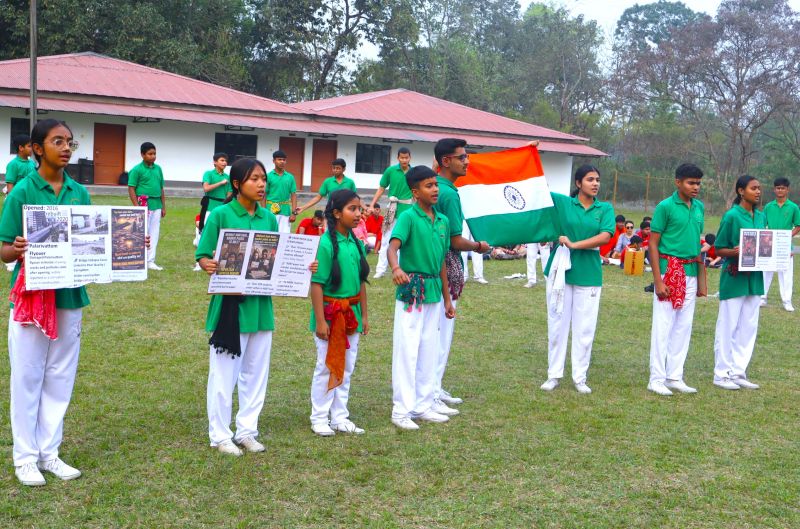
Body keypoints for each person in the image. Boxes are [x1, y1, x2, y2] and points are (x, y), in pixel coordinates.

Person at [196, 158, 305, 456]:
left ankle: (247, 430)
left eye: (263, 179)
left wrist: (302, 266)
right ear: (237, 184)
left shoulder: (269, 218)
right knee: (223, 375)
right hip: (230, 309)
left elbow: (278, 259)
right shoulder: (220, 215)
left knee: (256, 373)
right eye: (254, 179)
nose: (261, 184)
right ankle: (220, 435)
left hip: (260, 307)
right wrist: (206, 263)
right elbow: (202, 253)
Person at [1, 120, 89, 486]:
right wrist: (16, 248)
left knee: (60, 376)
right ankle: (25, 458)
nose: (67, 148)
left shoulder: (79, 192)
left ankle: (49, 452)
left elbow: (90, 241)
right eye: (58, 141)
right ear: (37, 149)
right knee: (27, 375)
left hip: (69, 294)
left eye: (70, 142)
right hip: (32, 297)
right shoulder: (22, 190)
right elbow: (4, 249)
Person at [388, 165, 455, 430]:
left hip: (434, 292)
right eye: (429, 186)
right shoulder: (408, 217)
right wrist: (396, 268)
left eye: (436, 184)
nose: (435, 189)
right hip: (412, 290)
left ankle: (423, 404)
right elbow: (393, 247)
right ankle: (401, 409)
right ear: (415, 192)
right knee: (407, 349)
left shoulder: (443, 220)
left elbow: (442, 263)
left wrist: (447, 299)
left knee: (429, 349)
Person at [540, 165, 614, 394]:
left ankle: (580, 377)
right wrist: (531, 157)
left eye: (597, 179)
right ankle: (553, 375)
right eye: (590, 179)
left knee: (584, 329)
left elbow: (605, 236)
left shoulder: (605, 208)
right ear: (578, 183)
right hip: (560, 271)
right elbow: (540, 188)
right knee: (557, 324)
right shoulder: (564, 203)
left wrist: (575, 244)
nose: (595, 183)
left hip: (589, 272)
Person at [432, 138, 490, 410]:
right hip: (445, 265)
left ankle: (433, 386)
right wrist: (478, 246)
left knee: (434, 331)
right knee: (441, 332)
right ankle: (431, 390)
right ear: (446, 161)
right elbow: (455, 240)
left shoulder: (435, 186)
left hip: (431, 264)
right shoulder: (448, 193)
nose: (467, 162)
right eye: (462, 157)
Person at [308, 189, 370, 436]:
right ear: (336, 213)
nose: (358, 214)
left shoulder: (357, 243)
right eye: (352, 209)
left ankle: (339, 416)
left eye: (359, 209)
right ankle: (319, 417)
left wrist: (365, 316)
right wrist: (320, 321)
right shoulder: (325, 244)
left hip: (351, 314)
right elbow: (316, 284)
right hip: (330, 314)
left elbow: (361, 283)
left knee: (347, 365)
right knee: (327, 365)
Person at [647, 163, 705, 396]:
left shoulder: (699, 207)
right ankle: (656, 379)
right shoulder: (665, 206)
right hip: (668, 271)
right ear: (678, 182)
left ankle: (674, 376)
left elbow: (696, 242)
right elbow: (652, 244)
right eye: (691, 183)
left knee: (683, 326)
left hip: (691, 272)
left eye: (698, 183)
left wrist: (700, 277)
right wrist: (658, 281)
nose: (695, 187)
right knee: (663, 325)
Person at [713, 175, 765, 391]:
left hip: (755, 278)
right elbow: (718, 249)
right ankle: (721, 374)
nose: (758, 191)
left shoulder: (761, 216)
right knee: (728, 326)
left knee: (748, 327)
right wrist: (735, 252)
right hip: (734, 277)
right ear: (741, 191)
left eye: (759, 188)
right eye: (753, 188)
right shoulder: (732, 216)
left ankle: (738, 372)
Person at [370, 148, 413, 278]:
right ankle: (380, 270)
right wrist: (372, 204)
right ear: (397, 158)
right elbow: (381, 188)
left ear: (410, 158)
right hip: (392, 209)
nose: (404, 160)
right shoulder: (390, 170)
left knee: (405, 241)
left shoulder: (414, 172)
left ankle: (402, 269)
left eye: (406, 157)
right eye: (402, 158)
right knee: (386, 239)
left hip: (408, 210)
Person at [761, 177, 800, 311]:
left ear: (787, 190)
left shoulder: (793, 207)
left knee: (786, 273)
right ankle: (762, 297)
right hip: (769, 244)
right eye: (778, 188)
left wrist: (787, 237)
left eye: (783, 188)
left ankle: (787, 301)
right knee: (766, 270)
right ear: (774, 189)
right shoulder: (768, 206)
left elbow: (798, 225)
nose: (780, 190)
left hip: (785, 245)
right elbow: (762, 224)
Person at [128, 141, 166, 271]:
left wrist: (163, 206)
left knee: (154, 233)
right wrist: (137, 206)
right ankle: (138, 258)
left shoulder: (158, 169)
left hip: (157, 204)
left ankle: (150, 261)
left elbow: (161, 188)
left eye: (154, 153)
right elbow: (131, 188)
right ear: (142, 155)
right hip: (143, 204)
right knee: (143, 232)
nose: (153, 156)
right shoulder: (137, 170)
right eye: (150, 154)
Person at [265, 150, 298, 233]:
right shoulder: (268, 176)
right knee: (270, 235)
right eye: (279, 159)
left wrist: (294, 213)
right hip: (270, 210)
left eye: (284, 160)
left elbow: (294, 195)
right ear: (274, 161)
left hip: (285, 211)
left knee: (284, 235)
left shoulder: (290, 177)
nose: (282, 161)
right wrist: (263, 211)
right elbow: (263, 195)